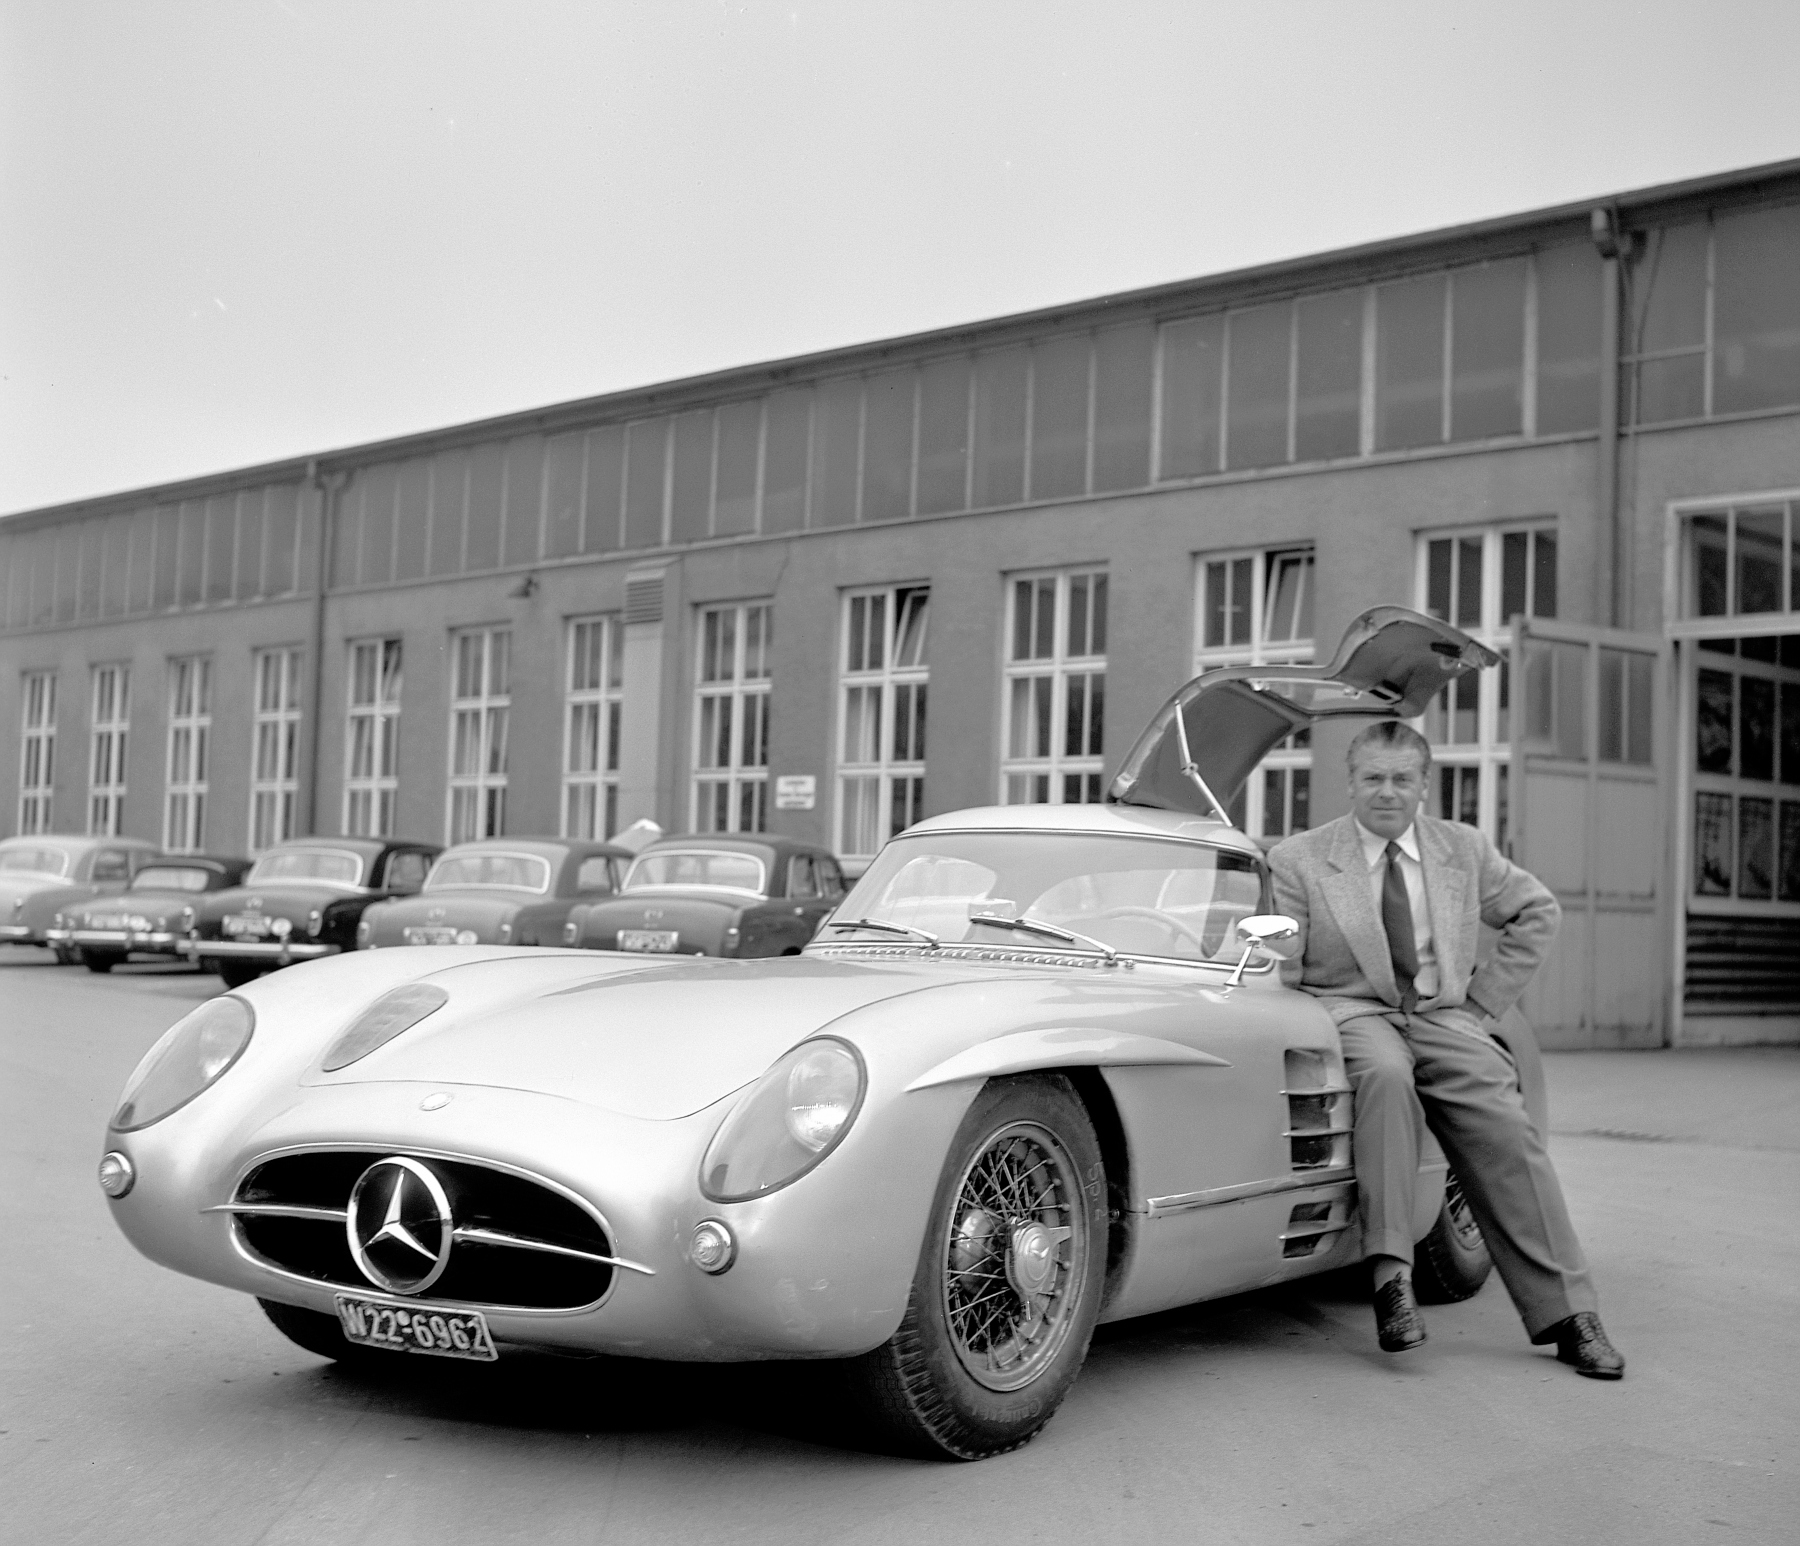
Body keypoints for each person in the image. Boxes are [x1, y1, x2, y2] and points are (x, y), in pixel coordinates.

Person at [1268, 720, 1624, 1379]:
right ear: (1350, 782)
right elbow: (1280, 963)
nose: (1387, 792)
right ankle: (1391, 1283)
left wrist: (1484, 1004)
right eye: (1373, 777)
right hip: (1352, 1012)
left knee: (1509, 1129)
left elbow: (1537, 910)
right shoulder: (1299, 859)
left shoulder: (1462, 848)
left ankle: (1571, 1315)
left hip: (1441, 1013)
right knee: (1385, 1079)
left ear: (1425, 785)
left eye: (1402, 779)